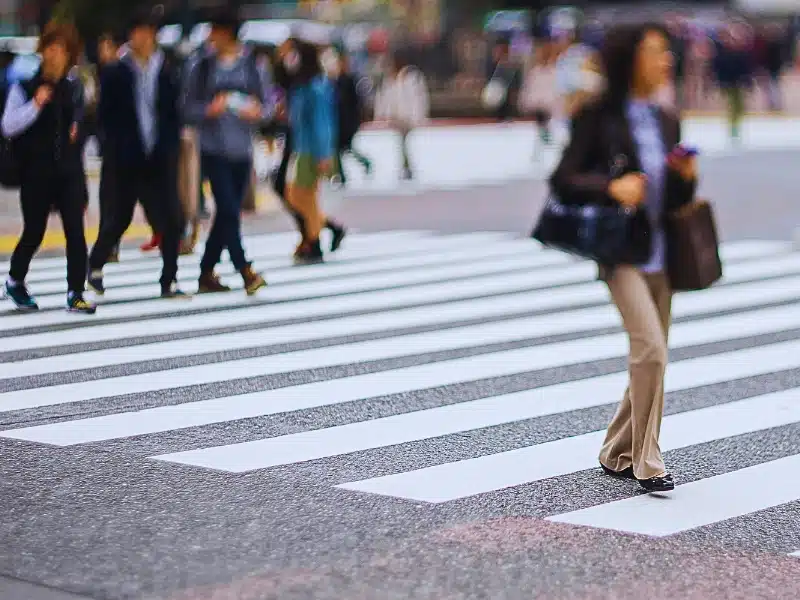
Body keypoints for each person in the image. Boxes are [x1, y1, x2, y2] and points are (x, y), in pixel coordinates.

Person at [549, 23, 698, 492]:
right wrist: (610, 186)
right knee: (651, 349)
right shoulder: (597, 115)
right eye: (654, 51)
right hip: (620, 250)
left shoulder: (666, 118)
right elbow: (563, 179)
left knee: (652, 354)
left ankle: (616, 449)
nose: (665, 60)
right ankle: (646, 458)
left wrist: (685, 177)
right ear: (629, 58)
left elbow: (673, 197)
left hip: (662, 253)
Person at [87, 10, 187, 298]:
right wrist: (114, 148)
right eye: (136, 32)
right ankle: (94, 265)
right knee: (119, 218)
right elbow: (104, 117)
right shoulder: (117, 71)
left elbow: (173, 113)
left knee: (171, 218)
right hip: (126, 158)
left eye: (146, 31)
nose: (141, 38)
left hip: (159, 156)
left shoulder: (167, 69)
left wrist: (170, 146)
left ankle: (170, 278)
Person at [1, 22, 96, 314]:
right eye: (51, 48)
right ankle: (15, 280)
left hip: (68, 171)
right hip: (36, 172)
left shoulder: (74, 88)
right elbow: (8, 126)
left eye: (63, 50)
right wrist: (35, 105)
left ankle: (76, 291)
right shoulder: (25, 86)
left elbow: (84, 121)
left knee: (75, 232)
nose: (56, 55)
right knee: (34, 231)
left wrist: (79, 128)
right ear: (43, 51)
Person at [182, 9, 268, 294]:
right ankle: (245, 269)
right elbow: (186, 108)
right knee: (229, 209)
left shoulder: (251, 65)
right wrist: (209, 110)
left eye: (215, 31)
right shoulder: (201, 66)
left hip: (242, 150)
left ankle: (206, 272)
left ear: (227, 33)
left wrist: (257, 112)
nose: (210, 37)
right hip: (213, 150)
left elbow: (267, 105)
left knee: (226, 215)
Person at [282, 38, 338, 264]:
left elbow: (322, 123)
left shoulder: (316, 86)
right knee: (302, 196)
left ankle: (314, 242)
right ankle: (318, 236)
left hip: (311, 150)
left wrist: (323, 154)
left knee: (299, 195)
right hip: (303, 147)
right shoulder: (304, 84)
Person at [373, 51, 429, 181]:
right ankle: (406, 166)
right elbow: (384, 98)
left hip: (408, 117)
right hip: (397, 117)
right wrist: (383, 114)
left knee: (405, 142)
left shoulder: (412, 78)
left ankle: (407, 166)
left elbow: (419, 99)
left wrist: (418, 116)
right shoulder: (390, 79)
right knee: (401, 142)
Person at [322, 44, 372, 185]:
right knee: (341, 149)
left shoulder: (348, 80)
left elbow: (353, 103)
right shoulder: (335, 81)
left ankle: (360, 165)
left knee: (342, 149)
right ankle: (342, 174)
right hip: (339, 121)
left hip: (347, 122)